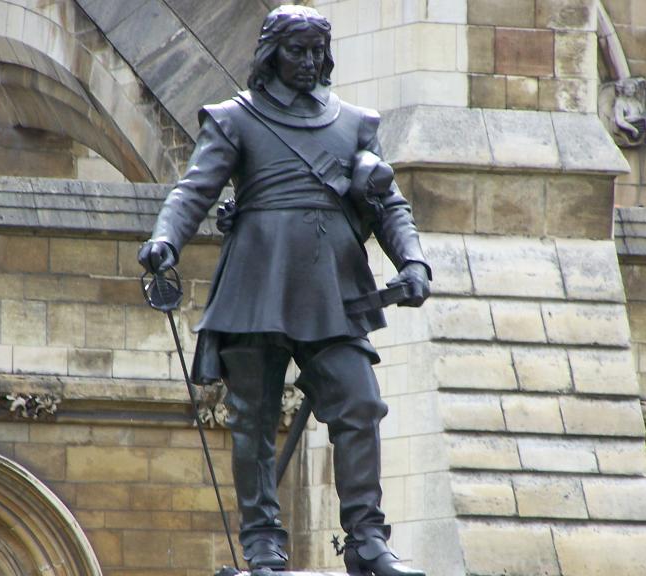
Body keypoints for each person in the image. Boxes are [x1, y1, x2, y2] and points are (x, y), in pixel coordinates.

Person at [138, 6, 430, 575]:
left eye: (317, 51)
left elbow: (388, 202)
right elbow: (193, 189)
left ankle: (367, 541)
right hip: (257, 282)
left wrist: (413, 260)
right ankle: (264, 544)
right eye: (297, 50)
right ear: (272, 53)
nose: (308, 62)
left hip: (333, 288)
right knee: (253, 418)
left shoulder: (355, 122)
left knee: (361, 403)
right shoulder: (234, 118)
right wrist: (164, 241)